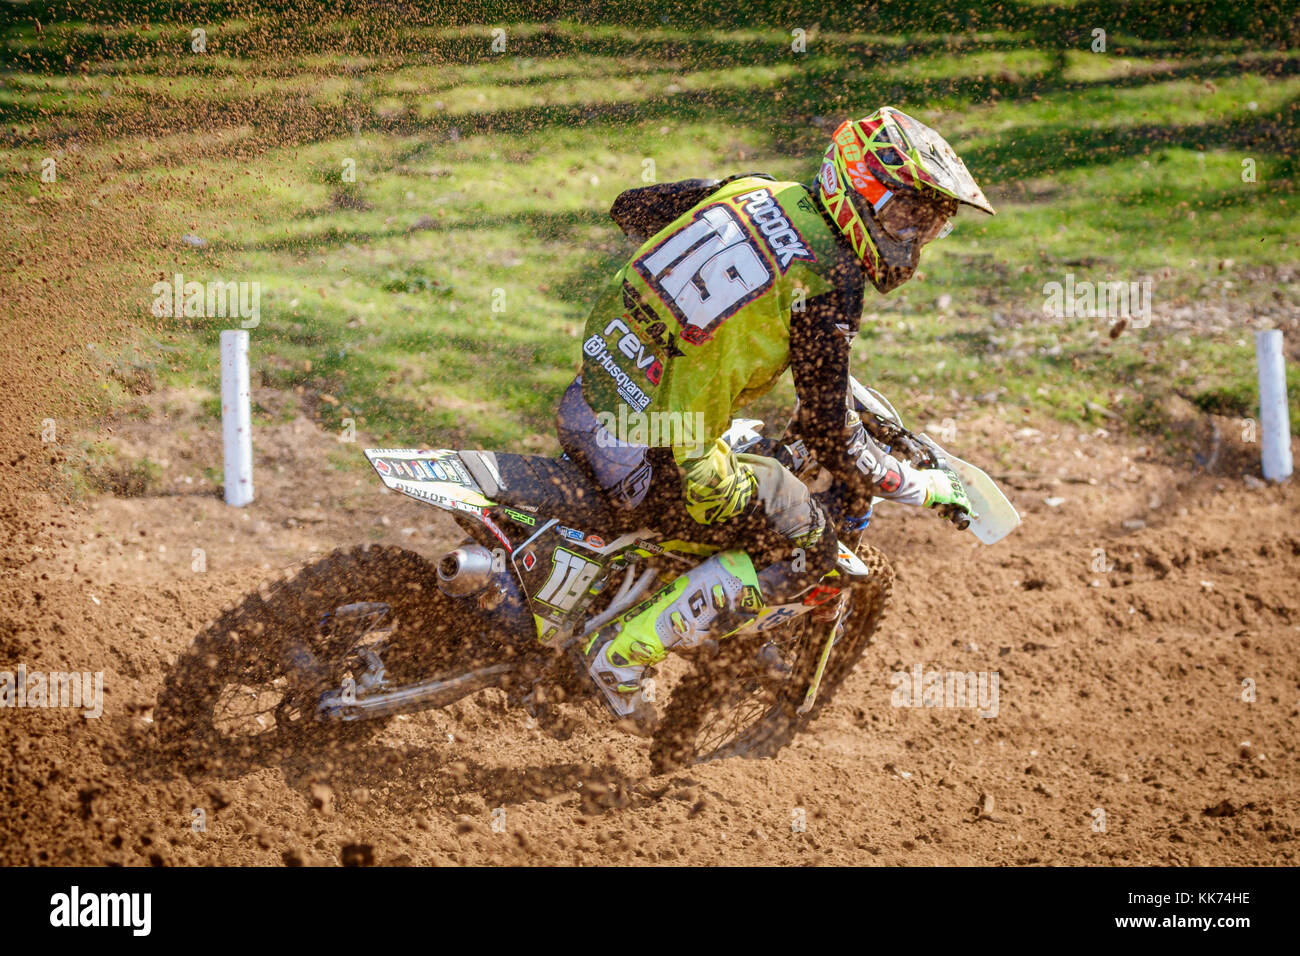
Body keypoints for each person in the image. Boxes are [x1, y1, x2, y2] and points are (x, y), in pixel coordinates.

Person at [555, 106, 995, 729]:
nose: (914, 238)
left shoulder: (753, 191)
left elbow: (632, 208)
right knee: (808, 544)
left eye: (929, 226)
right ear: (860, 189)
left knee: (750, 458)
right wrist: (920, 484)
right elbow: (830, 438)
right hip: (661, 463)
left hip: (589, 397)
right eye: (908, 215)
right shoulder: (830, 280)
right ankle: (621, 656)